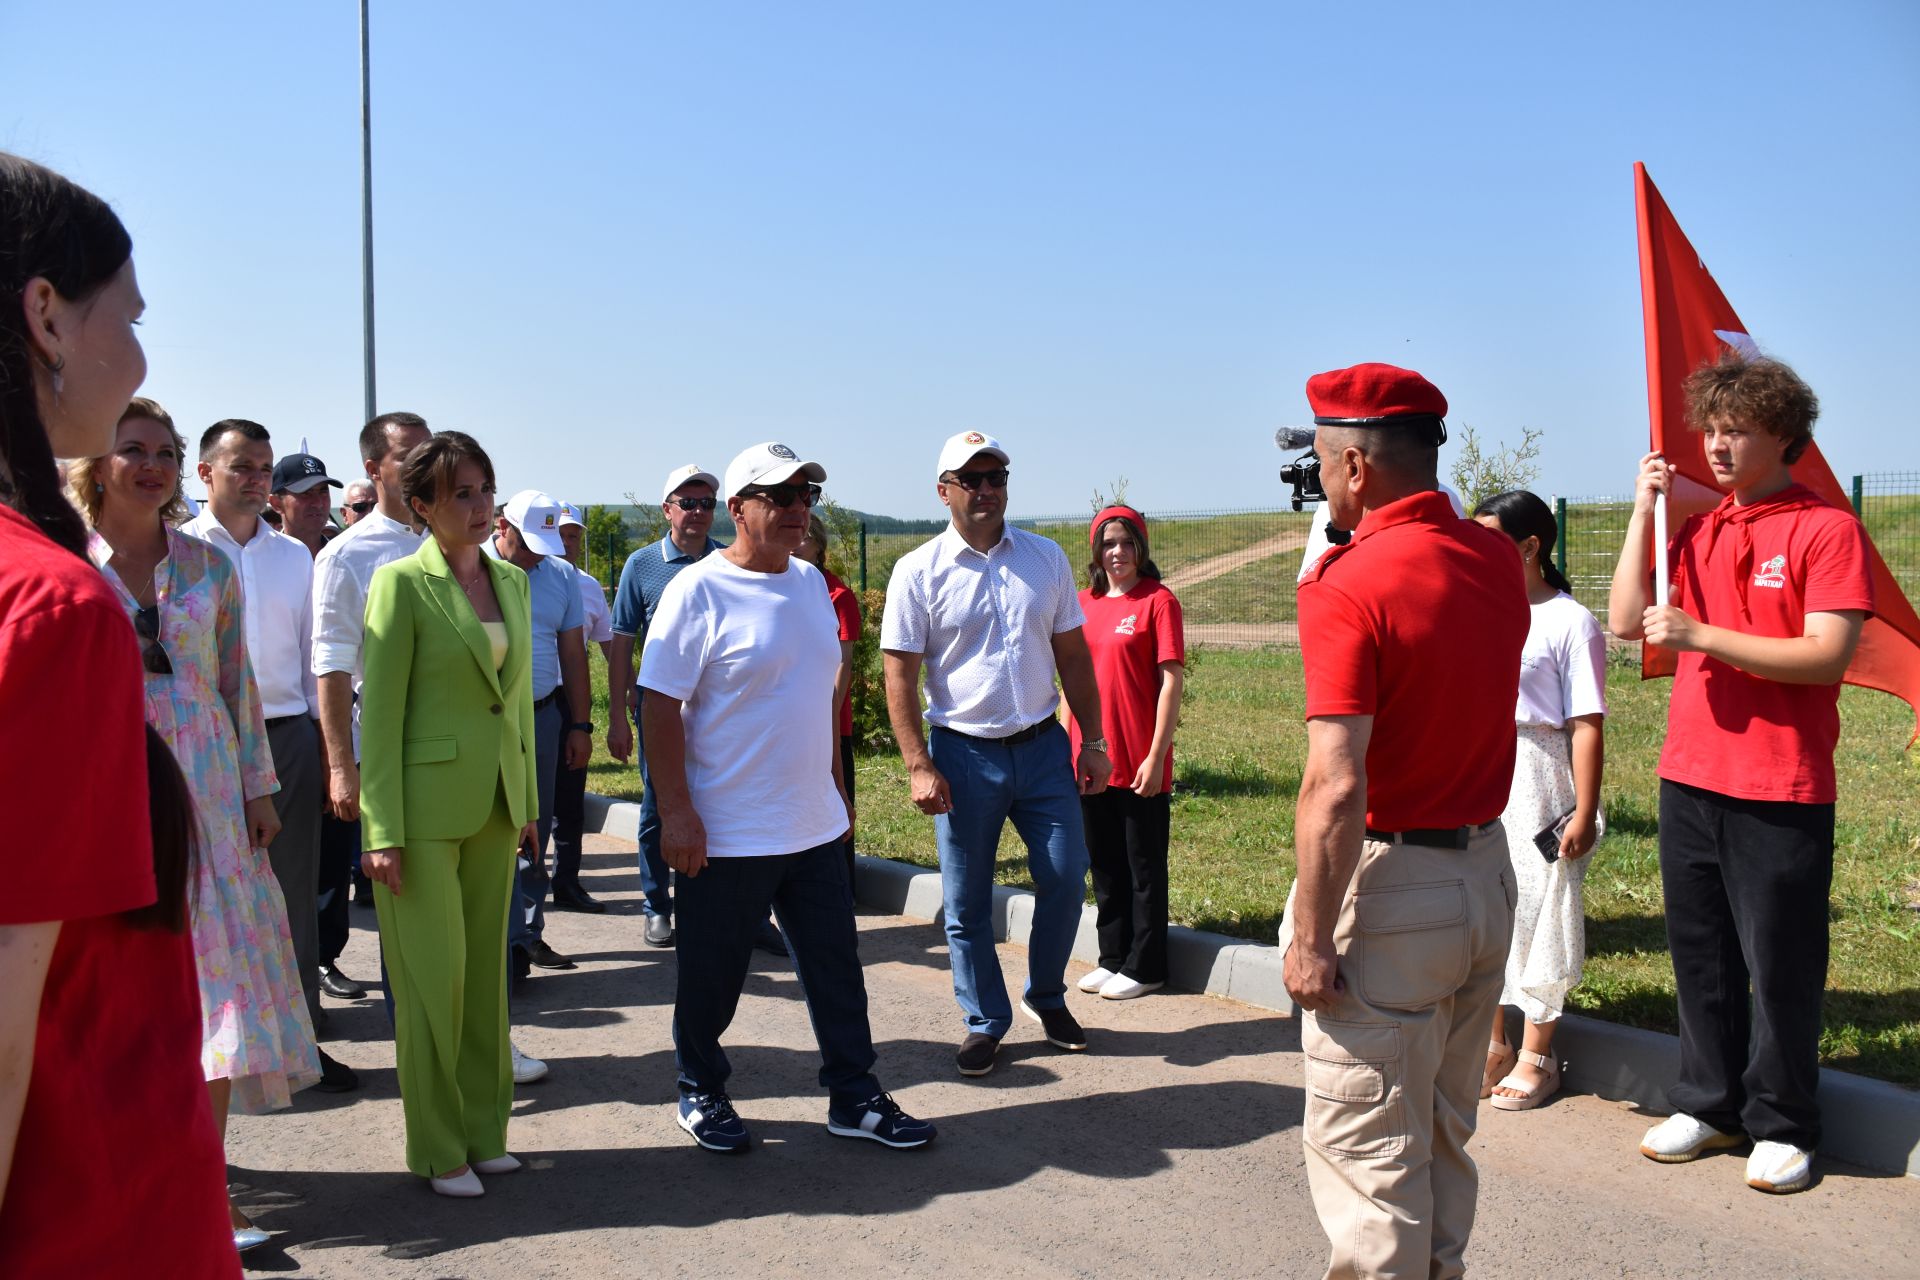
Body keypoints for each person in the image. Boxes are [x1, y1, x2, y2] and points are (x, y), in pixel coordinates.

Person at [0, 149, 239, 1273]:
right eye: (127, 316)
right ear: (45, 314)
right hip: (80, 1201)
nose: (140, 354)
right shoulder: (53, 604)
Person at [1277, 363, 1527, 1280]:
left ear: (1351, 467)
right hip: (1485, 876)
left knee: (1373, 1168)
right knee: (1442, 1139)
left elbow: (1335, 785)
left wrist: (1310, 934)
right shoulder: (1499, 558)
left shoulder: (1347, 583)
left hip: (1393, 889)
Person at [1608, 352, 1871, 1195]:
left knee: (1781, 961)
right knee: (1702, 956)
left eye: (1737, 431)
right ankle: (1710, 1103)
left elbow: (1825, 655)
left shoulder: (1826, 529)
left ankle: (1784, 1121)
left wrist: (1702, 638)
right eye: (1711, 431)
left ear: (1784, 437)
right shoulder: (1699, 527)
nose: (1717, 447)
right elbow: (1623, 621)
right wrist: (1642, 511)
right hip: (1691, 774)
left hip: (1780, 783)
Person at [73, 398, 322, 1244]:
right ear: (95, 462)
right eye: (131, 448)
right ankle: (109, 1183)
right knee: (116, 994)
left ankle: (203, 1188)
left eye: (165, 452)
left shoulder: (208, 568)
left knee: (213, 997)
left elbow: (236, 685)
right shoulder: (67, 562)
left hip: (209, 798)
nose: (152, 464)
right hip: (103, 790)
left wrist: (257, 789)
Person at [642, 442, 935, 1153]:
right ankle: (699, 1088)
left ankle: (854, 1095)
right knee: (712, 977)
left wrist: (835, 787)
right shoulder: (697, 591)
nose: (798, 509)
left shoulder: (808, 584)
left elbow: (814, 698)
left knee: (836, 970)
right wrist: (677, 812)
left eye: (806, 496)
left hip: (811, 824)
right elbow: (656, 704)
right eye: (780, 497)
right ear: (738, 509)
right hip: (727, 830)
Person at [881, 430, 1111, 1077]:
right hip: (963, 756)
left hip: (1042, 749)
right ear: (943, 491)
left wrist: (1091, 740)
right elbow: (898, 674)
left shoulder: (1044, 559)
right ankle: (986, 1021)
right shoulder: (918, 571)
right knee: (967, 902)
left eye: (996, 477)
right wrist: (917, 763)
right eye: (971, 479)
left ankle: (1046, 995)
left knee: (1066, 876)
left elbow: (1073, 655)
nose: (986, 490)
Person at [359, 431, 541, 1197]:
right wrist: (381, 831)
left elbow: (518, 706)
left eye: (484, 489)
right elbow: (382, 718)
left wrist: (527, 801)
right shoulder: (401, 584)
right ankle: (438, 1148)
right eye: (459, 494)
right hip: (422, 815)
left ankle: (482, 1131)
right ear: (423, 505)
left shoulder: (513, 583)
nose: (477, 506)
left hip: (498, 804)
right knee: (436, 982)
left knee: (487, 984)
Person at [183, 419, 357, 1092]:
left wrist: (328, 752)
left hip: (287, 738)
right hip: (201, 744)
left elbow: (320, 660)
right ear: (205, 474)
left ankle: (300, 1048)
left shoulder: (295, 558)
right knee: (203, 903)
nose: (255, 479)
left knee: (292, 898)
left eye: (262, 468)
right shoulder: (181, 552)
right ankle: (211, 1056)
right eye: (242, 467)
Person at [1471, 490, 1606, 1112]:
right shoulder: (1480, 608)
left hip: (1542, 775)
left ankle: (1538, 1054)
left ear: (1530, 546)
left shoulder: (1569, 621)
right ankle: (1493, 1042)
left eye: (1492, 536)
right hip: (1485, 768)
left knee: (1543, 907)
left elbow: (1586, 723)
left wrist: (1583, 808)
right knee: (1491, 906)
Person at [311, 412, 435, 1013]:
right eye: (408, 455)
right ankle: (420, 1042)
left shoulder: (454, 539)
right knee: (405, 902)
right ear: (372, 469)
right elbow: (331, 667)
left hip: (458, 750)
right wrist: (341, 766)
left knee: (459, 903)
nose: (422, 465)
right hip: (390, 755)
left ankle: (473, 1038)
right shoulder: (347, 557)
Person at [1067, 505, 1185, 1002]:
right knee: (1105, 864)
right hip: (1089, 757)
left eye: (1126, 542)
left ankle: (1147, 964)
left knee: (1143, 866)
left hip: (1137, 758)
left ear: (1141, 546)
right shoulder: (1081, 603)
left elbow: (1170, 681)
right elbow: (1070, 679)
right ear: (1096, 550)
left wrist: (1156, 756)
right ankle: (1113, 957)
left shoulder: (1158, 601)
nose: (1117, 552)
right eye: (1108, 543)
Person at [607, 463, 725, 948]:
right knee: (659, 806)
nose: (698, 512)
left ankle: (727, 907)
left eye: (706, 504)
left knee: (721, 804)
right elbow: (621, 643)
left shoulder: (727, 560)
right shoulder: (642, 565)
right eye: (688, 502)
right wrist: (617, 713)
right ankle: (658, 904)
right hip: (661, 710)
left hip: (718, 710)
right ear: (667, 509)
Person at [487, 489, 591, 976]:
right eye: (526, 544)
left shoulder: (562, 575)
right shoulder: (470, 571)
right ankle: (494, 939)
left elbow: (574, 657)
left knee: (536, 828)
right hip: (485, 721)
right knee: (489, 831)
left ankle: (526, 937)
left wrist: (580, 724)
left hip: (543, 717)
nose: (534, 557)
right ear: (501, 527)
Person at [551, 501, 614, 912]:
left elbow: (608, 646)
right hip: (522, 697)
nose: (568, 543)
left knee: (570, 799)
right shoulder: (510, 579)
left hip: (567, 699)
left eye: (574, 536)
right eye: (560, 534)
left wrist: (627, 690)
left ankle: (568, 883)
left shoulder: (587, 586)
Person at [794, 512, 862, 884]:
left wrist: (826, 717)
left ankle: (842, 885)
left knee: (837, 801)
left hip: (832, 722)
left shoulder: (837, 594)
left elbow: (843, 662)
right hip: (791, 721)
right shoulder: (781, 587)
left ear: (819, 545)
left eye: (804, 537)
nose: (796, 544)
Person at [270, 448, 343, 554]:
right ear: (276, 503)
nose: (318, 503)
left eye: (323, 492)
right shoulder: (261, 561)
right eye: (305, 493)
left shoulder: (347, 557)